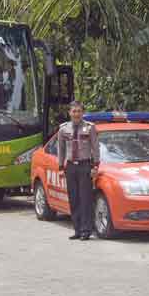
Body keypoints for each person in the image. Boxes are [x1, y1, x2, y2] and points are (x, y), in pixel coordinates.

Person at [58, 101, 100, 241]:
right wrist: (60, 167)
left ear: (82, 113)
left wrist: (95, 166)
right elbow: (61, 149)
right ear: (69, 113)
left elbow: (95, 148)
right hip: (70, 167)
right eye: (74, 111)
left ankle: (86, 230)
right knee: (73, 199)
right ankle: (77, 229)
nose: (76, 114)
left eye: (79, 111)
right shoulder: (63, 129)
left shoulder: (90, 128)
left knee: (85, 199)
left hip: (84, 166)